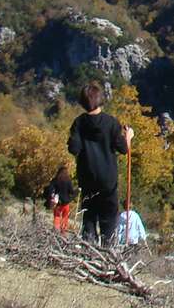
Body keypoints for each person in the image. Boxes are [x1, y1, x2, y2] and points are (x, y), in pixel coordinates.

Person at [67, 82, 132, 247]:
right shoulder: (111, 123)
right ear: (100, 99)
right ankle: (108, 254)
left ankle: (88, 252)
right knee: (109, 220)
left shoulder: (79, 123)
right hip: (108, 181)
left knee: (89, 217)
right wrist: (129, 137)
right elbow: (123, 149)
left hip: (87, 179)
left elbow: (73, 149)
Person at [44, 163, 77, 234]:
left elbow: (50, 189)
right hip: (66, 203)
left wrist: (51, 197)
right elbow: (71, 191)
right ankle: (63, 234)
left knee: (57, 217)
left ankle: (56, 233)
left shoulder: (55, 180)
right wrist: (76, 192)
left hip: (58, 203)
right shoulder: (68, 181)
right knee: (65, 218)